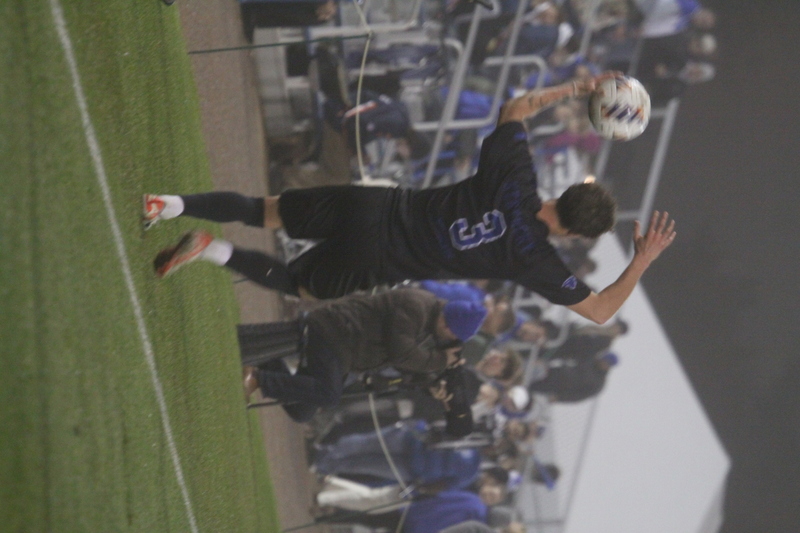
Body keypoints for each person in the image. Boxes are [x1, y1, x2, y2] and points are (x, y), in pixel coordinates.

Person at [144, 71, 676, 325]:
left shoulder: (514, 178)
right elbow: (603, 310)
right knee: (297, 286)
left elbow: (514, 109)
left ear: (566, 191)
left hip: (377, 205)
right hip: (381, 257)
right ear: (578, 233)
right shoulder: (535, 260)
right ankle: (210, 249)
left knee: (264, 209)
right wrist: (643, 259)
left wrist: (575, 88)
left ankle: (168, 203)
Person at [240, 288, 487, 422]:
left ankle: (266, 361)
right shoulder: (416, 307)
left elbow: (405, 367)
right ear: (449, 324)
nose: (448, 339)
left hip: (345, 349)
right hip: (336, 332)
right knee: (328, 394)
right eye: (452, 334)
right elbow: (401, 353)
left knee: (302, 410)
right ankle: (258, 378)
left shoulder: (430, 325)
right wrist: (440, 360)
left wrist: (434, 383)